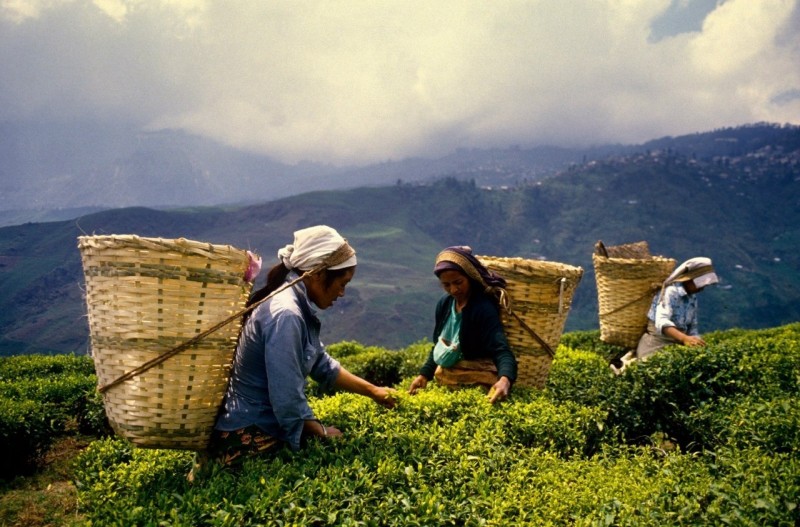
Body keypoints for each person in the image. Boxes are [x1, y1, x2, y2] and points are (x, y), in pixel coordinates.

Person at [211, 225, 397, 466]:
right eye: (342, 283)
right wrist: (320, 431)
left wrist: (374, 391)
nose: (342, 293)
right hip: (249, 434)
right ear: (317, 274)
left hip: (257, 425)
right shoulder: (287, 315)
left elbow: (321, 363)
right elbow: (286, 397)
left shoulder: (293, 305)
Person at [408, 246, 517, 403]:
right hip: (446, 377)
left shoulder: (482, 308)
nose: (453, 289)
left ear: (470, 277)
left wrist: (505, 380)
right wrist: (424, 375)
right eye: (446, 285)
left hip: (476, 378)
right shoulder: (444, 305)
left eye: (458, 282)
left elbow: (501, 349)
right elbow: (440, 344)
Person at [611, 256, 719, 375]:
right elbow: (662, 321)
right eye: (700, 283)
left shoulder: (692, 298)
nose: (702, 288)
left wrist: (696, 341)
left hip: (676, 344)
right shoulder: (670, 292)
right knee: (649, 374)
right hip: (657, 343)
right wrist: (684, 338)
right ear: (689, 279)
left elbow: (692, 326)